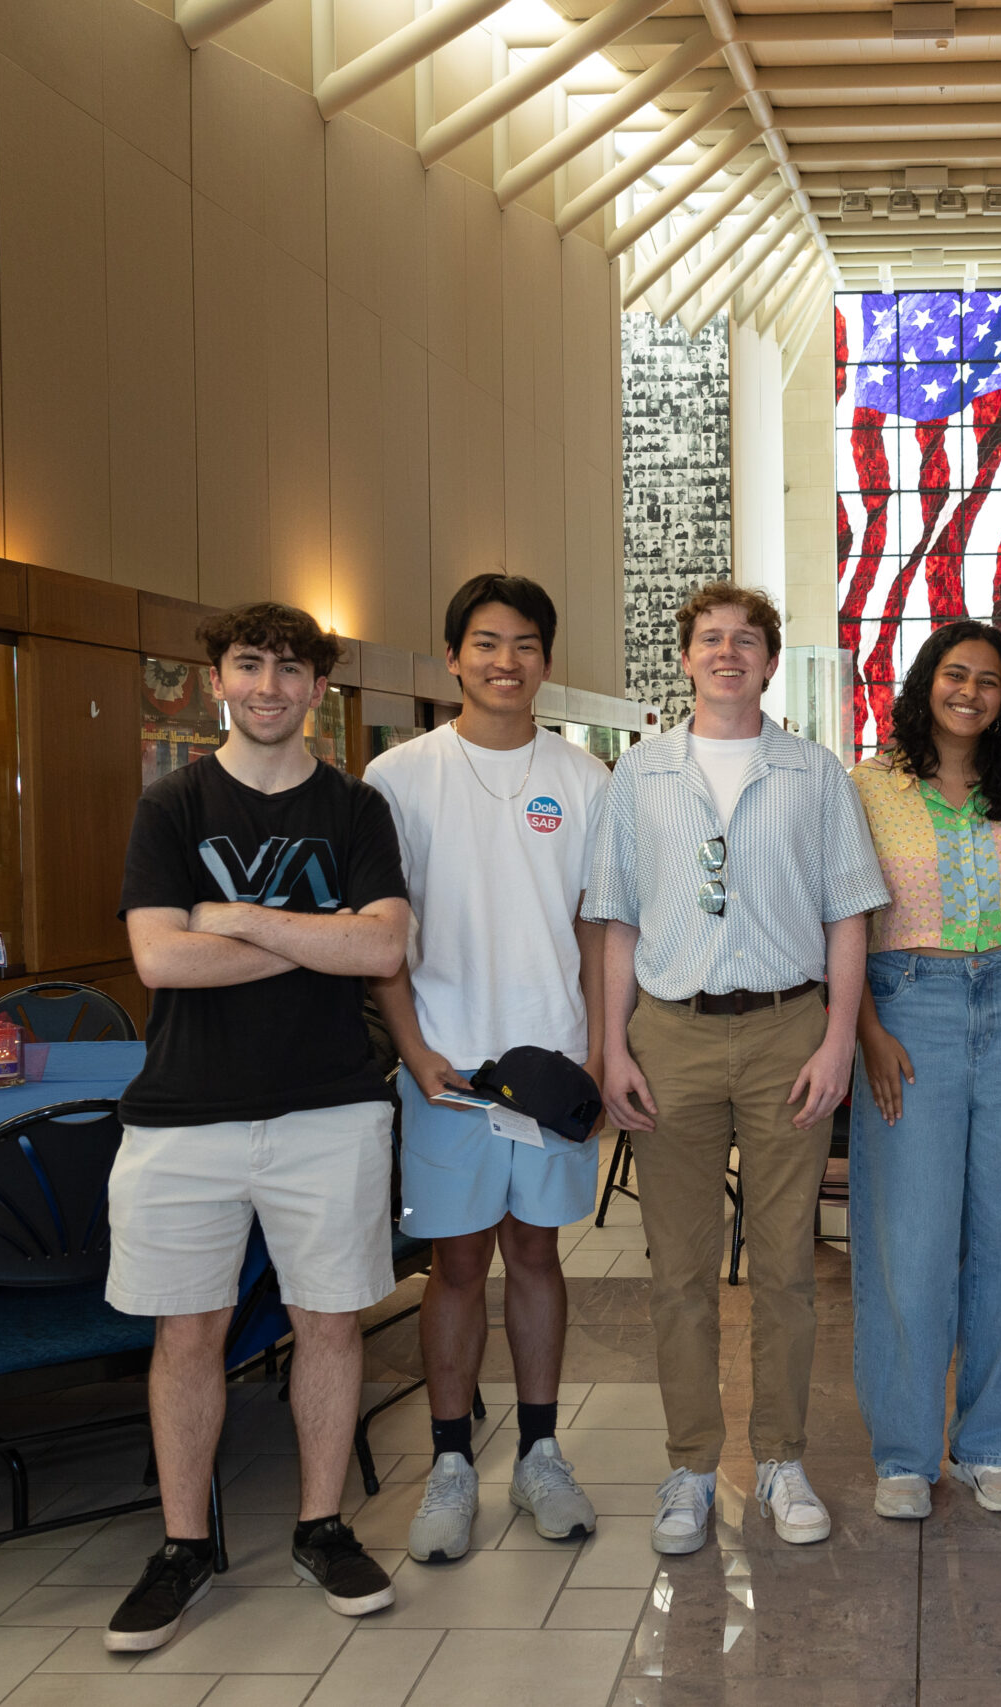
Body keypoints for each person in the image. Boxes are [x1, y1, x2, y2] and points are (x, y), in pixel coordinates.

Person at [107, 601, 413, 1653]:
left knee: (327, 1320)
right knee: (184, 1330)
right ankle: (185, 1545)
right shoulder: (171, 807)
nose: (269, 686)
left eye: (291, 670)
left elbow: (385, 952)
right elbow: (158, 960)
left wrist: (232, 918)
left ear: (319, 689)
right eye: (250, 665)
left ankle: (320, 1528)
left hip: (329, 1106)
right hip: (183, 1114)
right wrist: (322, 937)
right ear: (216, 679)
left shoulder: (355, 810)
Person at [585, 583, 888, 1555]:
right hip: (669, 1033)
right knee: (677, 1267)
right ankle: (688, 1465)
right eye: (710, 639)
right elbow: (616, 920)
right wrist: (612, 1042)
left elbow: (850, 915)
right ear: (684, 657)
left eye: (745, 640)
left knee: (786, 1268)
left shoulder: (814, 774)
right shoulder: (639, 777)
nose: (727, 653)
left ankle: (780, 1457)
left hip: (784, 1031)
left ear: (767, 659)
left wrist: (840, 1038)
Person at [365, 574, 609, 1564]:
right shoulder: (397, 777)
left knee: (539, 1257)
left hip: (550, 1067)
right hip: (447, 1073)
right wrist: (413, 1050)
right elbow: (382, 938)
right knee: (458, 1266)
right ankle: (453, 1463)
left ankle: (543, 1454)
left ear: (546, 660)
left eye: (523, 645)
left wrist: (600, 1047)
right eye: (484, 642)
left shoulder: (589, 780)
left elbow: (598, 930)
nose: (504, 661)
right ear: (454, 656)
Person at [848, 622, 1001, 1520]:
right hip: (910, 1004)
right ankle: (904, 1450)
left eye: (989, 678)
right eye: (955, 673)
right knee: (909, 1232)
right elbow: (842, 922)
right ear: (924, 682)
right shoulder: (868, 784)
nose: (970, 690)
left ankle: (993, 1442)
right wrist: (865, 1026)